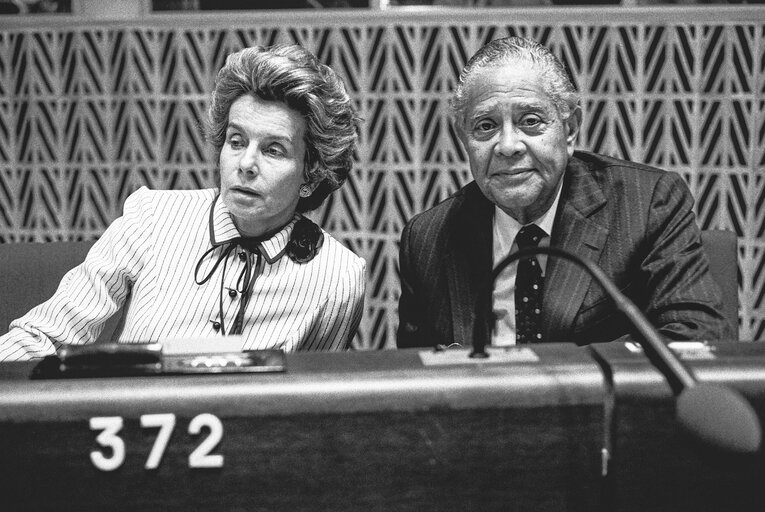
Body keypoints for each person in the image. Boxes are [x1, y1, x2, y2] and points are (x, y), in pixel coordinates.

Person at [0, 44, 365, 361]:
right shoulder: (152, 217)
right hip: (130, 431)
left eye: (273, 150)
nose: (246, 164)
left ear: (311, 174)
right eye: (236, 142)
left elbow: (313, 403)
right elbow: (47, 335)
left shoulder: (338, 276)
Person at [397, 36, 732, 349]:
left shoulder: (647, 204)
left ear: (569, 129)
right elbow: (414, 377)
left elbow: (694, 337)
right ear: (464, 138)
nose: (508, 145)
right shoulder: (427, 238)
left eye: (530, 121)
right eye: (486, 126)